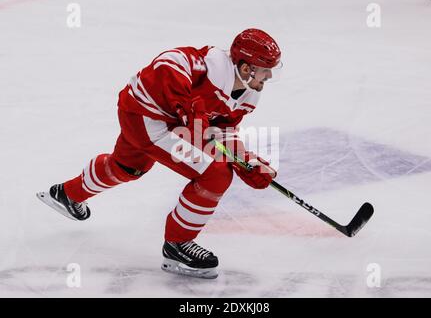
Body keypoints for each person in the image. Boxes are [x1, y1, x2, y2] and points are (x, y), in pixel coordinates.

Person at [37, 28, 282, 279]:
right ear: (246, 68)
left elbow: (224, 130)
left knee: (126, 167)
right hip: (148, 117)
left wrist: (244, 159)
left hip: (162, 122)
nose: (270, 75)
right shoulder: (209, 65)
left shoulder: (249, 95)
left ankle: (67, 194)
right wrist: (184, 105)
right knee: (215, 173)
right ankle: (177, 244)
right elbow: (168, 63)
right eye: (265, 69)